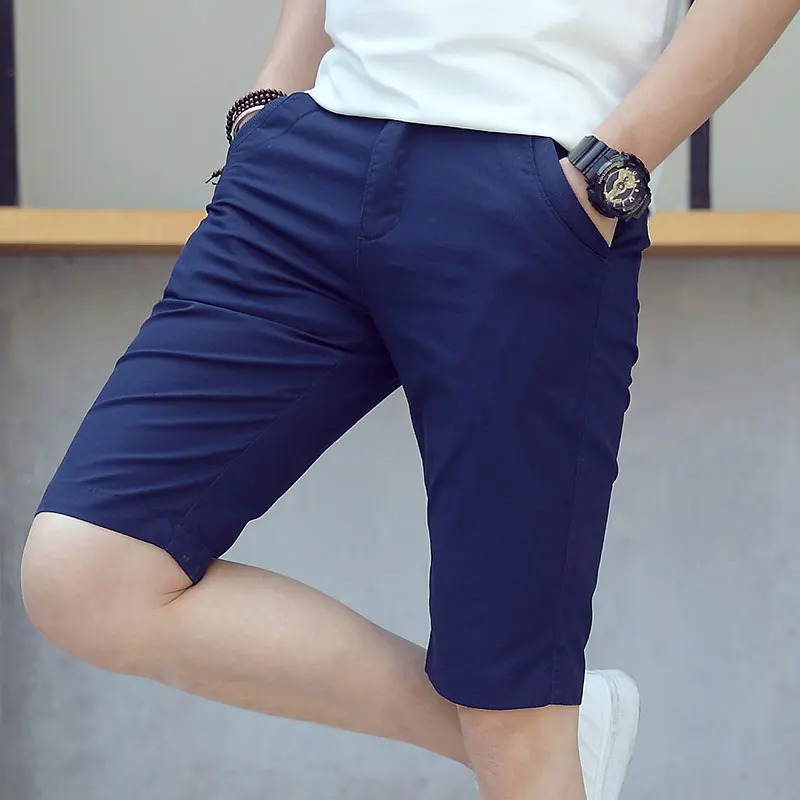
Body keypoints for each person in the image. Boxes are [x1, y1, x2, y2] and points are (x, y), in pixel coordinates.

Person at [20, 1, 798, 798]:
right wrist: (270, 100)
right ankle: (544, 736)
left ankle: (528, 740)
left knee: (512, 709)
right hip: (311, 159)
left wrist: (610, 168)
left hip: (531, 178)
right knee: (88, 575)